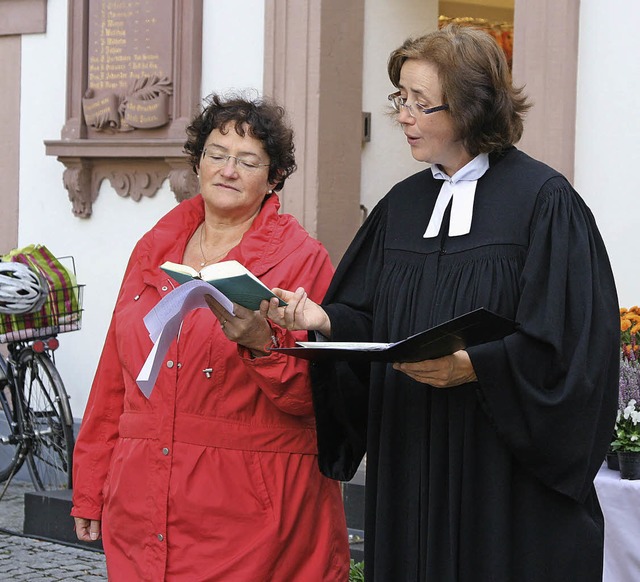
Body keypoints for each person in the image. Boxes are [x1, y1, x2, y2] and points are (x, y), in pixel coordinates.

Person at [267, 25, 620, 582]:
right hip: (412, 456)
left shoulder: (543, 203)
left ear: (473, 108)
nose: (403, 116)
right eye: (400, 99)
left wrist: (477, 366)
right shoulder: (401, 207)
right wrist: (326, 319)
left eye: (420, 103)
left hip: (502, 476)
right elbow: (374, 321)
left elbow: (573, 346)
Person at [71, 92, 350, 581]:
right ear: (197, 162)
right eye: (216, 155)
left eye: (248, 161)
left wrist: (263, 345)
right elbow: (115, 376)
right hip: (143, 500)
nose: (227, 170)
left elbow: (323, 399)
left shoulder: (302, 259)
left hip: (250, 514)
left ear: (274, 177)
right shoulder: (154, 247)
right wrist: (91, 484)